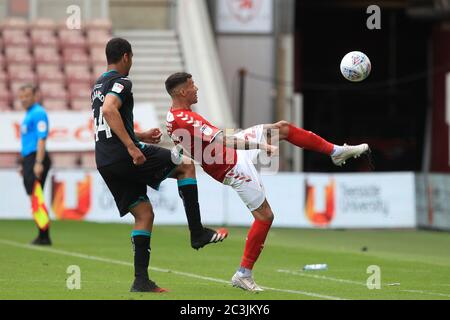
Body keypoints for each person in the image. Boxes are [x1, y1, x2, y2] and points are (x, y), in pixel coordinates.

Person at [165, 72, 371, 292]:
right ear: (181, 92)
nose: (196, 88)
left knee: (282, 128)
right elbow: (225, 140)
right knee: (265, 216)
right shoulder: (186, 118)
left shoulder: (174, 116)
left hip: (227, 154)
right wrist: (261, 147)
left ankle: (335, 151)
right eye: (192, 85)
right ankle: (243, 274)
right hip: (231, 166)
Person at [92, 38, 228, 293]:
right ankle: (197, 232)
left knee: (144, 214)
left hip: (105, 160)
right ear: (125, 57)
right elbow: (110, 111)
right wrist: (133, 147)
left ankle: (140, 280)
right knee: (185, 165)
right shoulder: (122, 82)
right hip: (124, 155)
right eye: (131, 58)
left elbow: (107, 121)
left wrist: (139, 136)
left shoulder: (98, 84)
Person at [18, 84, 52, 246]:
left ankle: (44, 235)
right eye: (21, 96)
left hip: (37, 158)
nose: (23, 99)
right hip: (29, 159)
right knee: (34, 196)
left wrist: (38, 162)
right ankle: (42, 233)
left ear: (34, 96)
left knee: (36, 196)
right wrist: (24, 164)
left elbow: (41, 138)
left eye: (26, 96)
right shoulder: (29, 115)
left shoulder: (38, 113)